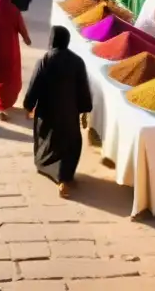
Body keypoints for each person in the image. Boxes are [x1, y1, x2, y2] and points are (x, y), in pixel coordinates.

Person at [23, 25, 93, 198]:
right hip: (70, 114)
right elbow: (83, 89)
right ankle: (65, 178)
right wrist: (85, 109)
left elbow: (35, 85)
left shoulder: (45, 60)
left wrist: (28, 105)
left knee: (49, 141)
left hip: (47, 114)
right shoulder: (77, 61)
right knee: (70, 144)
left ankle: (56, 175)